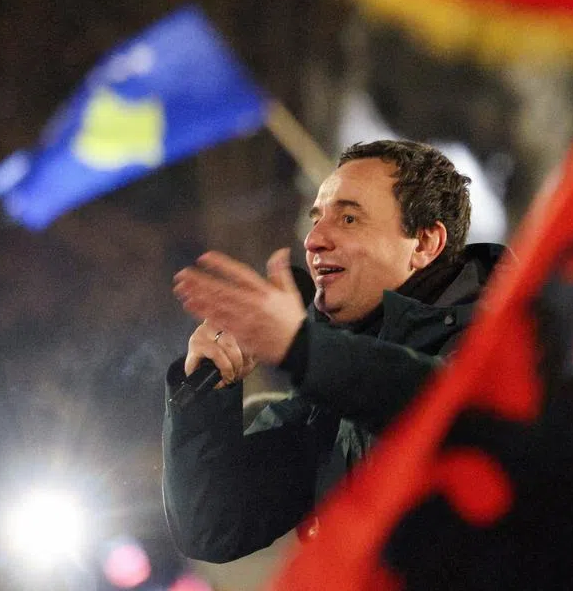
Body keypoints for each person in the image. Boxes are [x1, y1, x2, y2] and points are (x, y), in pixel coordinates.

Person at [162, 139, 505, 563]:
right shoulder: (320, 402)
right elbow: (212, 527)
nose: (314, 240)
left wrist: (302, 349)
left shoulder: (508, 338)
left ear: (424, 243)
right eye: (316, 219)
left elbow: (441, 407)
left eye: (348, 218)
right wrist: (206, 395)